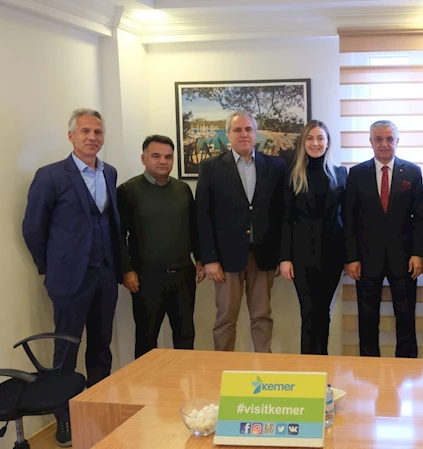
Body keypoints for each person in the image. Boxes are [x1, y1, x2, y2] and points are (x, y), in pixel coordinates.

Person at [22, 108, 123, 447]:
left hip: (105, 274)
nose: (92, 137)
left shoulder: (109, 172)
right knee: (65, 352)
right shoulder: (50, 175)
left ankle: (98, 409)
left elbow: (109, 222)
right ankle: (64, 418)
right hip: (69, 279)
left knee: (101, 348)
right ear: (71, 136)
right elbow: (33, 228)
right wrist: (50, 267)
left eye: (98, 132)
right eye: (85, 131)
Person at [196, 110, 285, 352]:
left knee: (262, 316)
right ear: (228, 135)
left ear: (255, 134)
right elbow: (203, 216)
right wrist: (209, 259)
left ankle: (264, 367)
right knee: (226, 318)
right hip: (226, 259)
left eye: (248, 129)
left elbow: (281, 214)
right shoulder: (211, 167)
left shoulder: (275, 166)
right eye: (237, 130)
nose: (243, 134)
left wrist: (281, 256)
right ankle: (222, 368)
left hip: (263, 256)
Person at [343, 120, 423, 358]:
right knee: (367, 318)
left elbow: (421, 217)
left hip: (405, 258)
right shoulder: (357, 173)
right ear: (370, 142)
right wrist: (351, 258)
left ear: (397, 141)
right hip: (366, 258)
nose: (384, 144)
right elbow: (349, 219)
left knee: (406, 317)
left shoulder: (412, 172)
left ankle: (406, 369)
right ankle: (369, 369)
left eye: (389, 139)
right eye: (378, 139)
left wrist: (418, 253)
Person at [118, 135, 205, 359]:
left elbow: (194, 228)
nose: (163, 161)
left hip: (183, 276)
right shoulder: (128, 190)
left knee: (186, 337)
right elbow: (118, 236)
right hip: (146, 279)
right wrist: (126, 270)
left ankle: (185, 381)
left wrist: (200, 259)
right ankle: (145, 383)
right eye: (156, 156)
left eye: (168, 157)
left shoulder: (183, 189)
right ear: (143, 158)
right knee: (147, 340)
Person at [279, 120, 348, 355]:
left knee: (323, 311)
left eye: (320, 138)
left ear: (328, 143)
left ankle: (322, 364)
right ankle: (307, 366)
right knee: (308, 312)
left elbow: (347, 218)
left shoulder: (340, 173)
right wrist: (285, 258)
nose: (315, 143)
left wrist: (349, 256)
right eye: (310, 138)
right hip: (302, 253)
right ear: (303, 143)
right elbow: (286, 218)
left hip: (332, 252)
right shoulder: (293, 174)